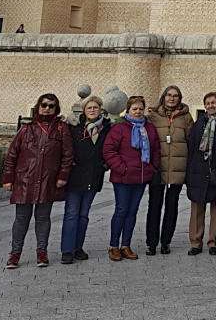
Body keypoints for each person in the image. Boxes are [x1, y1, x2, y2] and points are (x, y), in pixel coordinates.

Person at [2, 93, 73, 269]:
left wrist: (63, 176)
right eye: (44, 105)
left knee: (43, 218)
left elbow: (67, 155)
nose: (47, 108)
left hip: (47, 180)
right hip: (25, 179)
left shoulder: (61, 129)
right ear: (38, 106)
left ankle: (42, 252)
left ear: (56, 109)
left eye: (51, 106)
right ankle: (15, 254)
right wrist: (8, 178)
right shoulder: (26, 129)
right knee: (21, 219)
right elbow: (12, 155)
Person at [102, 95, 161, 261]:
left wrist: (152, 166)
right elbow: (109, 151)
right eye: (134, 109)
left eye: (141, 109)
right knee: (121, 210)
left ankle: (126, 245)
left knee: (132, 212)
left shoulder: (149, 128)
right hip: (123, 177)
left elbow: (155, 148)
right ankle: (114, 245)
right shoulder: (119, 128)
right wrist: (122, 168)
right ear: (128, 110)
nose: (138, 112)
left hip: (141, 177)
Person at [60, 95, 111, 263]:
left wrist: (105, 165)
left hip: (93, 177)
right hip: (75, 177)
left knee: (84, 215)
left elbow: (111, 149)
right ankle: (67, 250)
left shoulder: (106, 128)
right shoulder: (74, 127)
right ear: (84, 111)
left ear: (101, 110)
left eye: (95, 107)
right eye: (89, 108)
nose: (92, 110)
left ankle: (77, 248)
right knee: (72, 213)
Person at [144, 85, 193, 256]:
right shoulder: (153, 116)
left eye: (176, 96)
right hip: (158, 168)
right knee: (154, 206)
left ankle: (166, 242)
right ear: (163, 97)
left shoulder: (186, 117)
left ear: (180, 98)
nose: (172, 98)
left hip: (178, 169)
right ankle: (151, 242)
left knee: (172, 207)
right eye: (169, 95)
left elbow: (191, 140)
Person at [186, 91, 216, 255]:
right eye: (208, 103)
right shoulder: (199, 123)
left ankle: (214, 242)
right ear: (204, 106)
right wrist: (189, 172)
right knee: (197, 209)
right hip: (198, 171)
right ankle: (196, 242)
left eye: (213, 103)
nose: (211, 106)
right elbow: (191, 147)